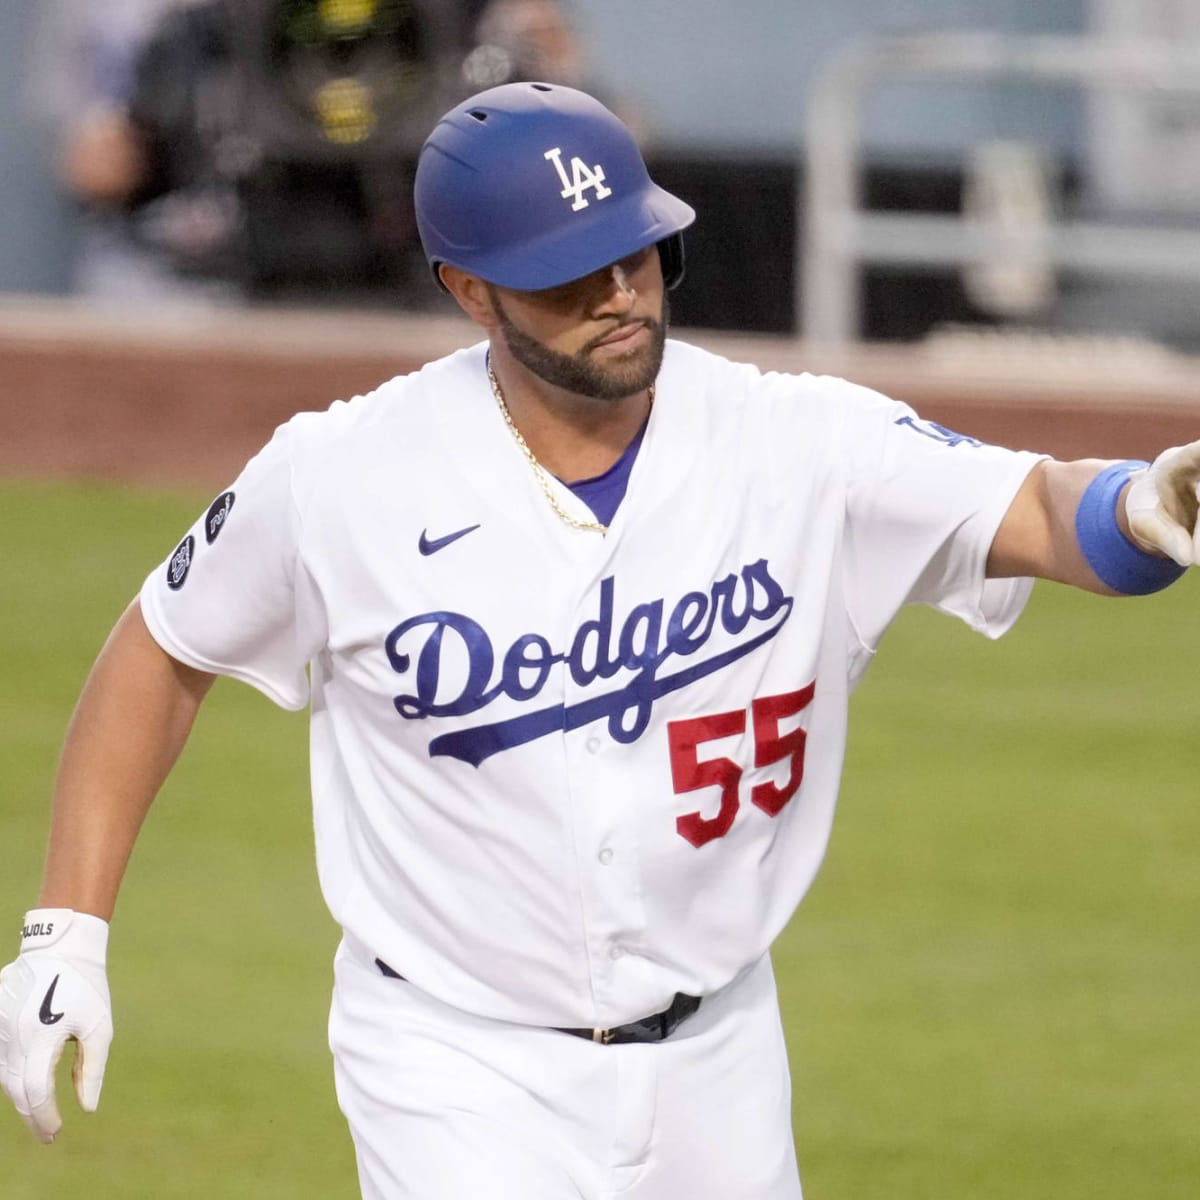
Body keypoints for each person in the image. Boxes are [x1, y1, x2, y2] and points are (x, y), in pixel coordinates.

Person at [1, 82, 1198, 1199]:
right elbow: (164, 648)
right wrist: (67, 930)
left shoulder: (797, 443)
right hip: (453, 1062)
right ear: (468, 289)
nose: (620, 292)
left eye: (633, 252)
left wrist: (1151, 506)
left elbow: (1042, 507)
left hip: (722, 1051)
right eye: (569, 275)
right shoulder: (340, 478)